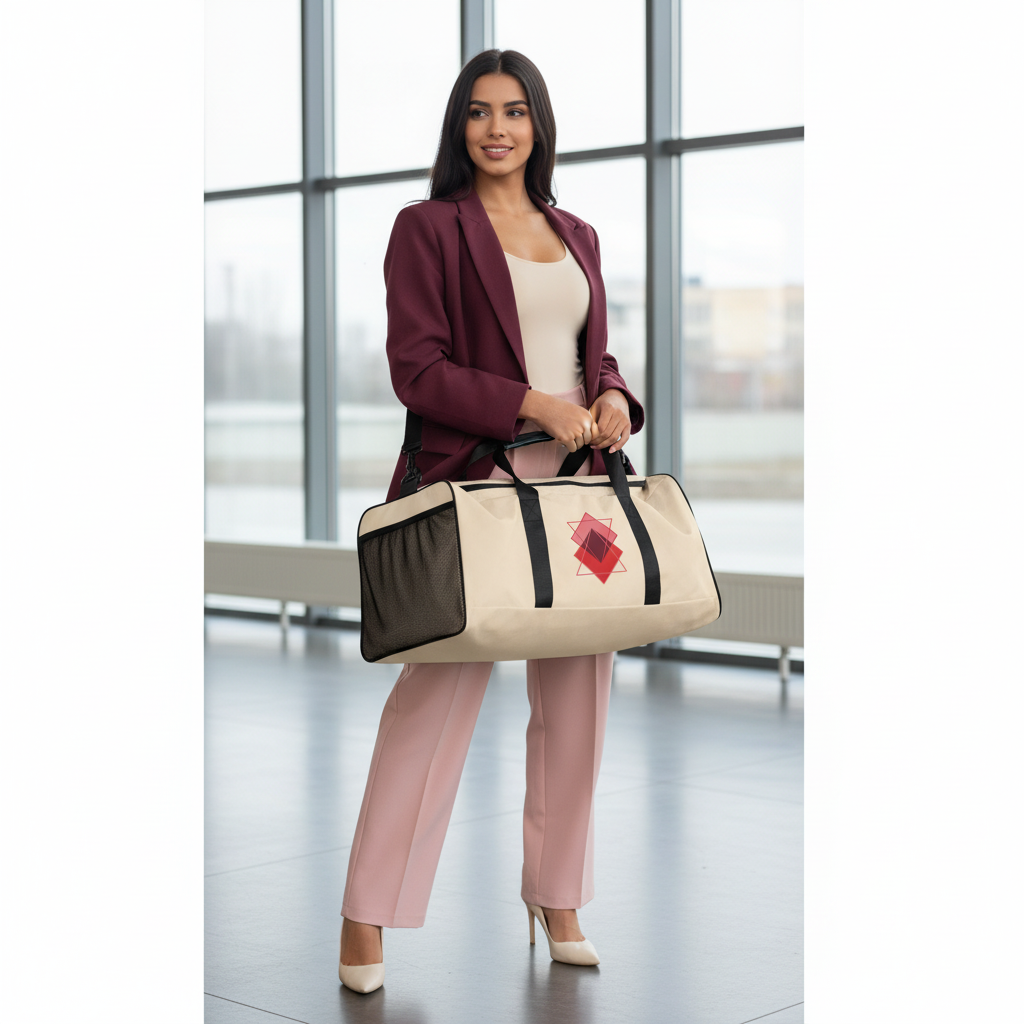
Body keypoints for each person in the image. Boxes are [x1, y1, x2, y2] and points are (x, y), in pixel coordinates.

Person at [337, 49, 645, 994]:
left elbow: (595, 352)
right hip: (477, 480)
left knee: (579, 703)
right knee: (434, 700)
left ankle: (558, 898)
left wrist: (614, 397)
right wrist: (530, 403)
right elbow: (417, 370)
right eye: (479, 112)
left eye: (515, 111)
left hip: (579, 486)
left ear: (539, 124)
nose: (498, 128)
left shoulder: (578, 231)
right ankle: (367, 913)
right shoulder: (426, 229)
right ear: (458, 127)